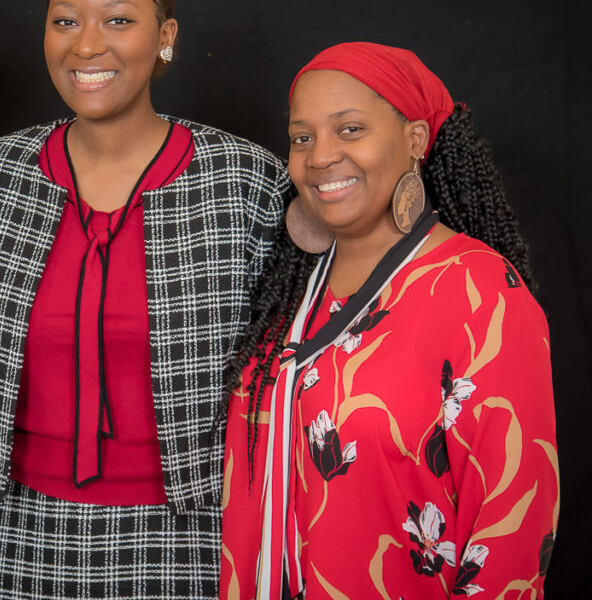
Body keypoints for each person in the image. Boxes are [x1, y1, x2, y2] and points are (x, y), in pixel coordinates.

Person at [0, 0, 289, 599]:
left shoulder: (246, 181)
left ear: (165, 35)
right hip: (25, 527)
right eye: (65, 21)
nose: (87, 45)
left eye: (118, 20)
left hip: (192, 529)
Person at [220, 42, 558, 598]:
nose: (320, 155)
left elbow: (512, 527)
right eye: (302, 137)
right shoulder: (287, 292)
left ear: (415, 140)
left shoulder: (480, 292)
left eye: (349, 129)